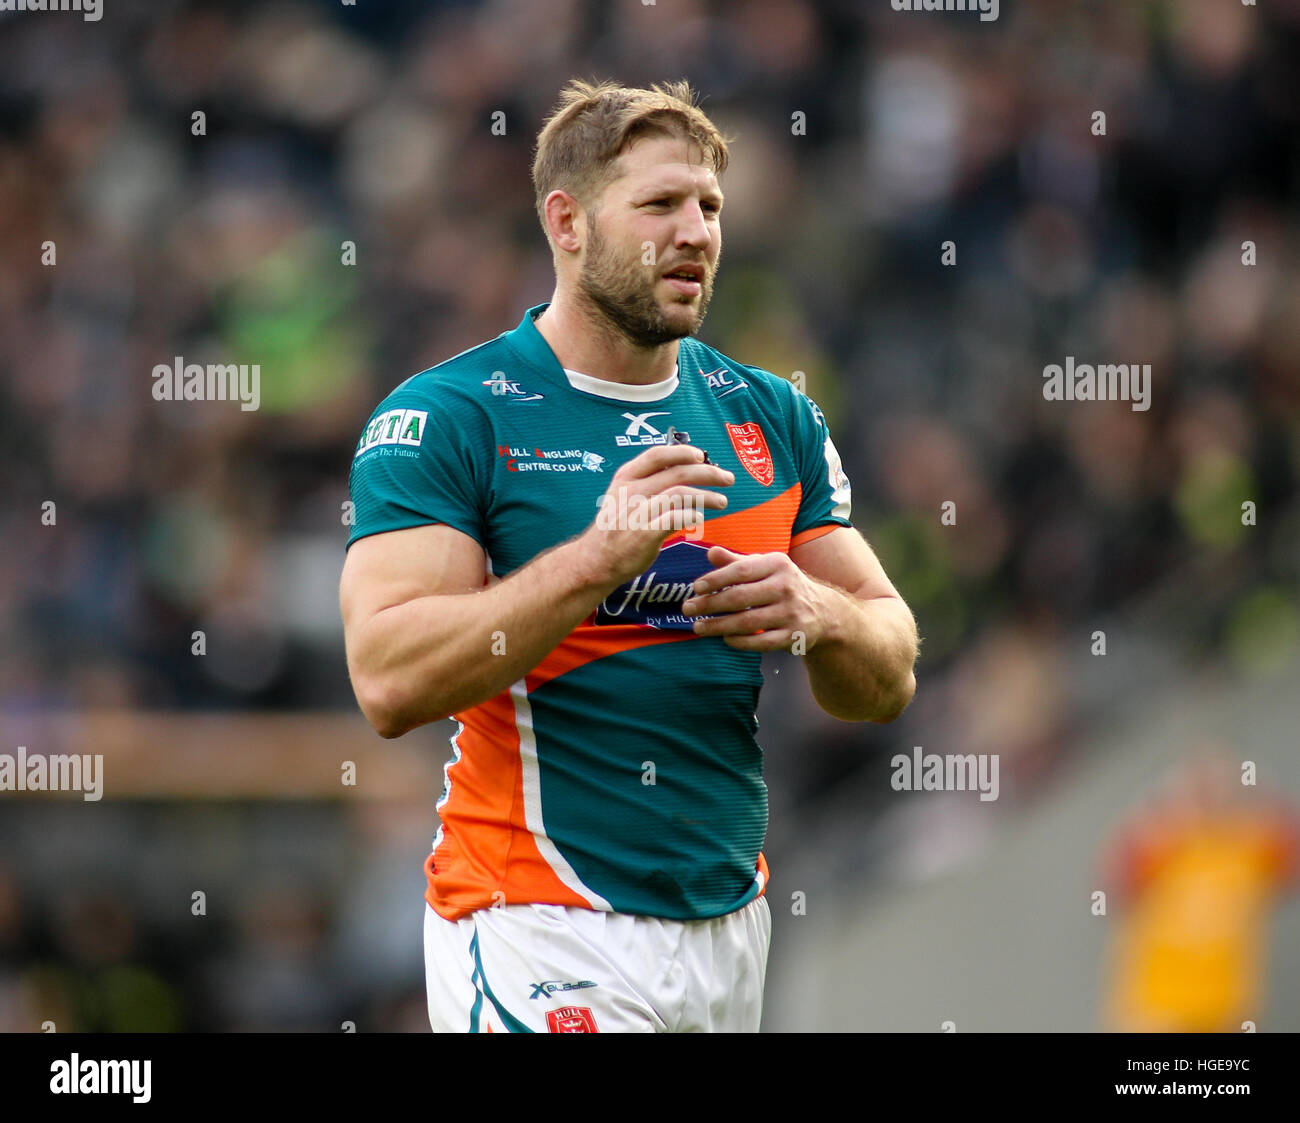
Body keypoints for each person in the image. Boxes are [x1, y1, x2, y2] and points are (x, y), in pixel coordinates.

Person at [339, 78, 918, 1033]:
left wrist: (824, 618)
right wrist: (595, 558)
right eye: (659, 204)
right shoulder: (449, 417)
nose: (695, 231)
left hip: (728, 923)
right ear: (566, 223)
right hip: (537, 918)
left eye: (709, 207)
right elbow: (387, 679)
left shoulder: (771, 415)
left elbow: (887, 670)